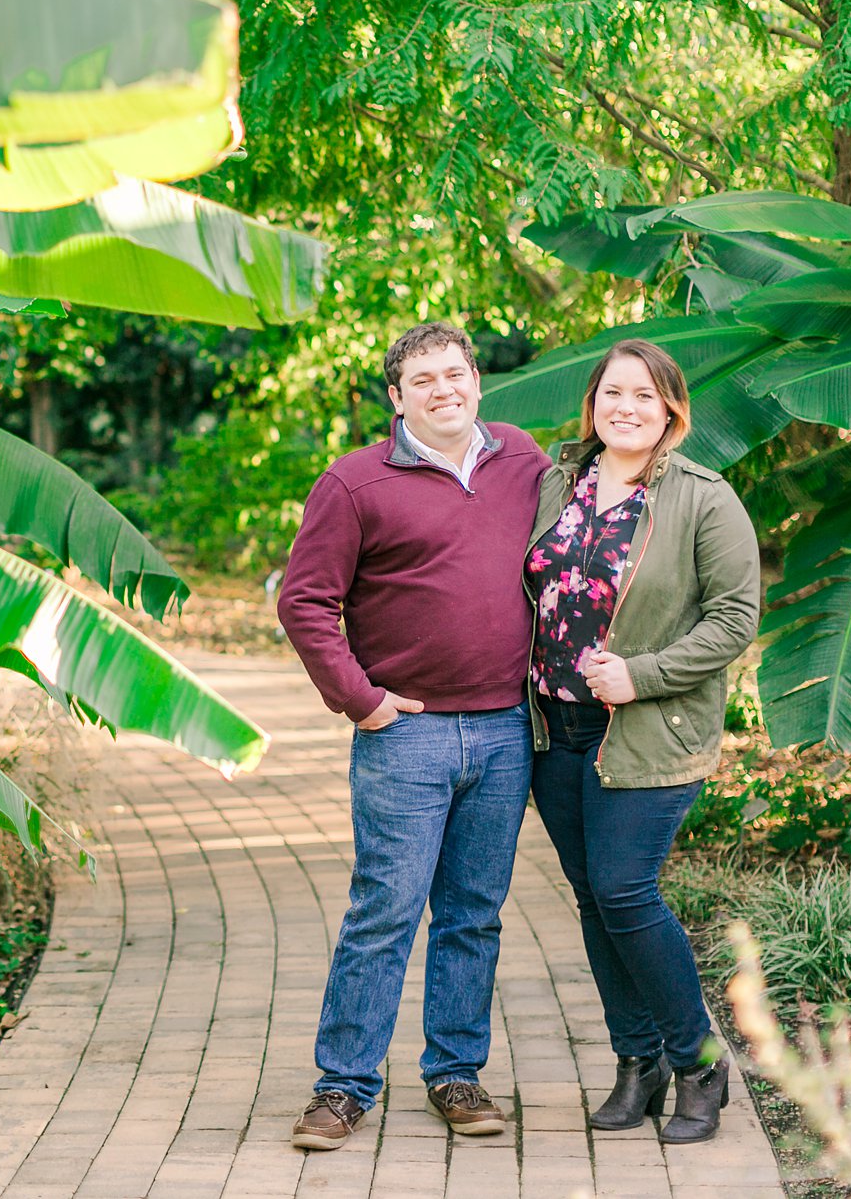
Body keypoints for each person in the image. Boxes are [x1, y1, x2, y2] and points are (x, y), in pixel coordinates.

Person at [277, 321, 548, 1149]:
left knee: (473, 913)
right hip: (407, 735)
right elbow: (304, 601)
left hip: (505, 731)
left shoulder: (525, 463)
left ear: (477, 381)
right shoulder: (355, 483)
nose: (442, 389)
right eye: (422, 379)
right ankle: (343, 1086)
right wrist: (361, 701)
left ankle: (455, 1073)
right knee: (384, 910)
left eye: (454, 373)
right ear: (397, 397)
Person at [524, 339, 760, 1145]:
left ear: (671, 411)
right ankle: (638, 1063)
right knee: (593, 896)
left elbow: (734, 616)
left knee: (625, 890)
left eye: (645, 396)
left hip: (649, 726)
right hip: (556, 727)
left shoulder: (704, 497)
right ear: (592, 404)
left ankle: (698, 1063)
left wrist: (644, 673)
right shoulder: (558, 482)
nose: (626, 407)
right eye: (612, 393)